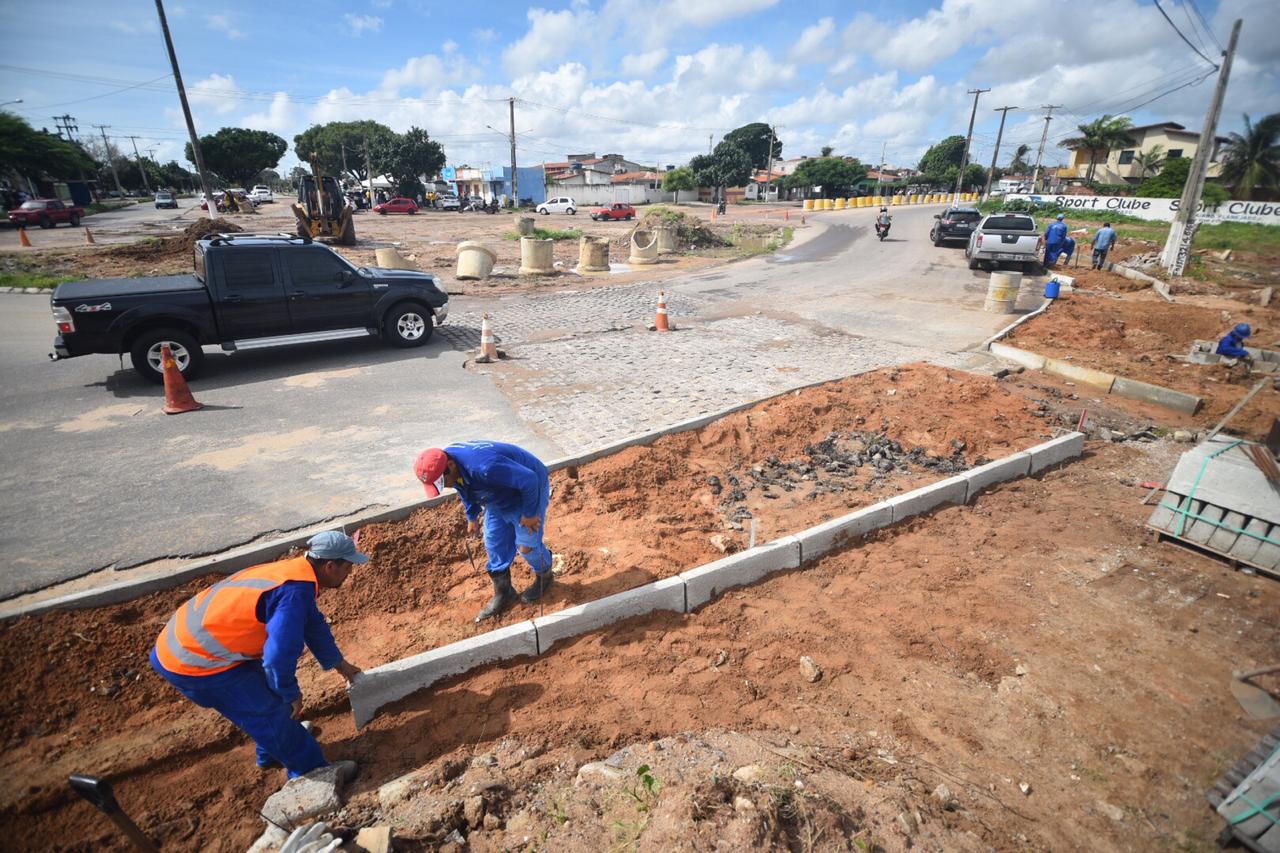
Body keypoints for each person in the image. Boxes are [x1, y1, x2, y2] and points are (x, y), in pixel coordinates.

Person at [150, 531, 366, 779]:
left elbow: (313, 624)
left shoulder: (295, 573)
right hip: (193, 661)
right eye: (348, 566)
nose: (351, 572)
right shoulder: (293, 594)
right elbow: (277, 658)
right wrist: (290, 694)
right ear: (330, 566)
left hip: (194, 643)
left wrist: (340, 665)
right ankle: (312, 771)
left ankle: (272, 751)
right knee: (269, 711)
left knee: (267, 699)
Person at [415, 441, 555, 622]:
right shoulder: (449, 462)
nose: (445, 487)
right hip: (498, 493)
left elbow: (530, 480)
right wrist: (472, 515)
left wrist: (529, 514)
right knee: (493, 542)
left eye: (442, 482)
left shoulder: (484, 467)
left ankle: (546, 575)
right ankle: (504, 592)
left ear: (450, 466)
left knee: (527, 547)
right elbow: (461, 484)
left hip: (528, 489)